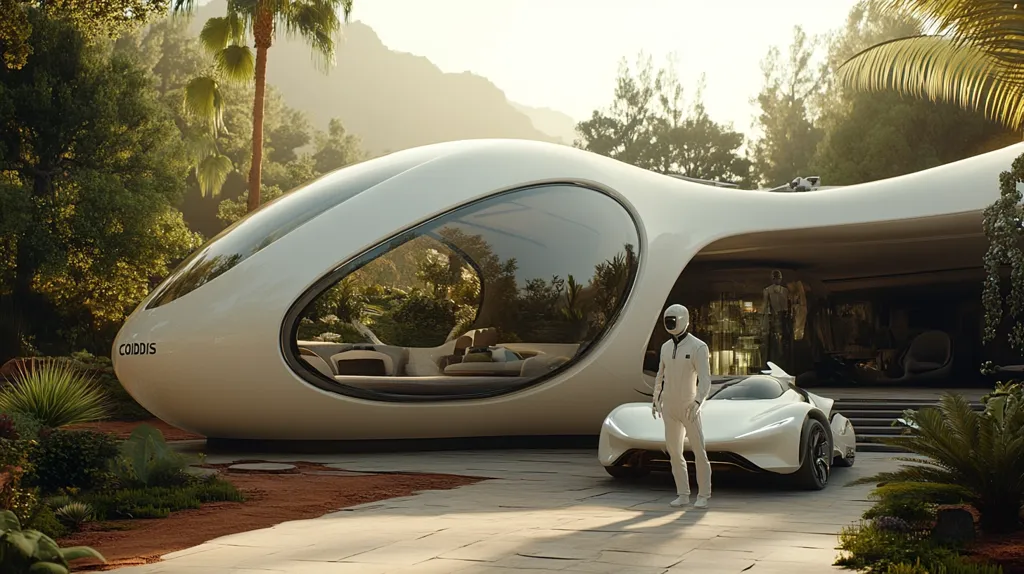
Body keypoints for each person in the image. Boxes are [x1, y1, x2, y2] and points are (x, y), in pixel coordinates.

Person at [652, 304, 712, 509]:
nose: (670, 323)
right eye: (667, 320)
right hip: (669, 406)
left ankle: (703, 494)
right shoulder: (665, 347)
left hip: (689, 406)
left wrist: (698, 401)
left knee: (699, 451)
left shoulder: (698, 347)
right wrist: (655, 398)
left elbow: (705, 380)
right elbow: (660, 375)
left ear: (684, 319)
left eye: (673, 319)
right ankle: (683, 493)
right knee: (674, 452)